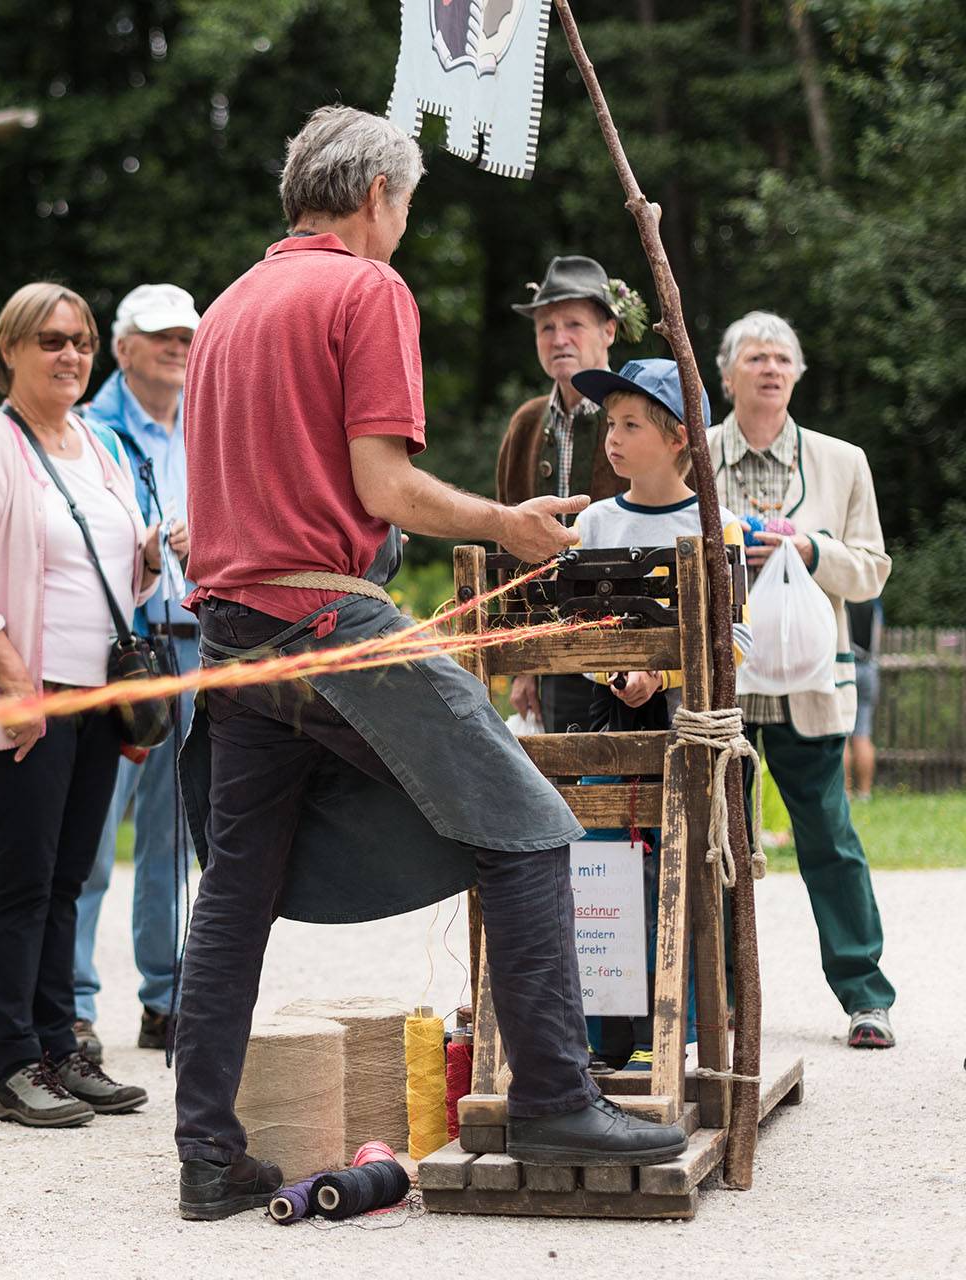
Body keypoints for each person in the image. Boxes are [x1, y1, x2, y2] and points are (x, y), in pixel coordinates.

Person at [173, 105, 687, 1221]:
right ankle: (554, 1094)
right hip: (328, 622)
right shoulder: (367, 290)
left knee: (237, 890)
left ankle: (207, 1153)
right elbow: (384, 490)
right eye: (405, 205)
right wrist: (504, 524)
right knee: (534, 821)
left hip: (232, 639)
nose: (403, 227)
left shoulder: (223, 310)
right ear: (373, 198)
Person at [0, 281, 160, 1128]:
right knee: (20, 884)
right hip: (25, 698)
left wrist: (155, 552)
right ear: (10, 352)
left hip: (96, 694)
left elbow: (115, 572)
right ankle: (13, 1063)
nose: (71, 355)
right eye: (52, 340)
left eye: (83, 342)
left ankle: (62, 1047)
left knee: (70, 876)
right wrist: (17, 685)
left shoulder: (97, 446)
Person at [710, 310, 896, 1049]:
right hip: (722, 683)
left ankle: (866, 995)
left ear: (797, 373)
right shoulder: (693, 451)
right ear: (727, 375)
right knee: (716, 844)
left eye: (783, 356)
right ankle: (711, 1001)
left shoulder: (841, 462)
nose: (771, 367)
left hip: (811, 684)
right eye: (755, 356)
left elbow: (873, 568)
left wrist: (809, 547)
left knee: (829, 836)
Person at [567, 358, 751, 1072]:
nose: (613, 438)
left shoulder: (717, 525)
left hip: (688, 738)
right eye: (610, 424)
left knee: (691, 880)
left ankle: (692, 1039)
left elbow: (737, 637)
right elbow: (571, 628)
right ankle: (608, 1044)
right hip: (605, 733)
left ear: (679, 438)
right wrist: (614, 668)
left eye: (631, 424)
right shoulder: (593, 522)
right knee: (604, 880)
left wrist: (663, 673)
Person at [72, 283, 198, 1062]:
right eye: (161, 336)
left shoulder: (208, 420)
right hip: (115, 646)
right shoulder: (89, 430)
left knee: (172, 833)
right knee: (89, 828)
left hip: (193, 641)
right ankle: (75, 1003)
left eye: (187, 335)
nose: (178, 348)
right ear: (123, 348)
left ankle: (166, 999)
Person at [499, 254, 633, 733]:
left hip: (635, 642)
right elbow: (507, 546)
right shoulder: (527, 423)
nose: (558, 339)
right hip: (551, 644)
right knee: (559, 792)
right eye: (546, 327)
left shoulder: (640, 414)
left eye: (574, 323)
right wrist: (522, 661)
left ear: (609, 331)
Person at [845, 596, 883, 802]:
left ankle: (846, 790)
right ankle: (865, 792)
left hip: (846, 668)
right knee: (863, 733)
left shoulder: (842, 600)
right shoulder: (874, 603)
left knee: (842, 735)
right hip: (869, 667)